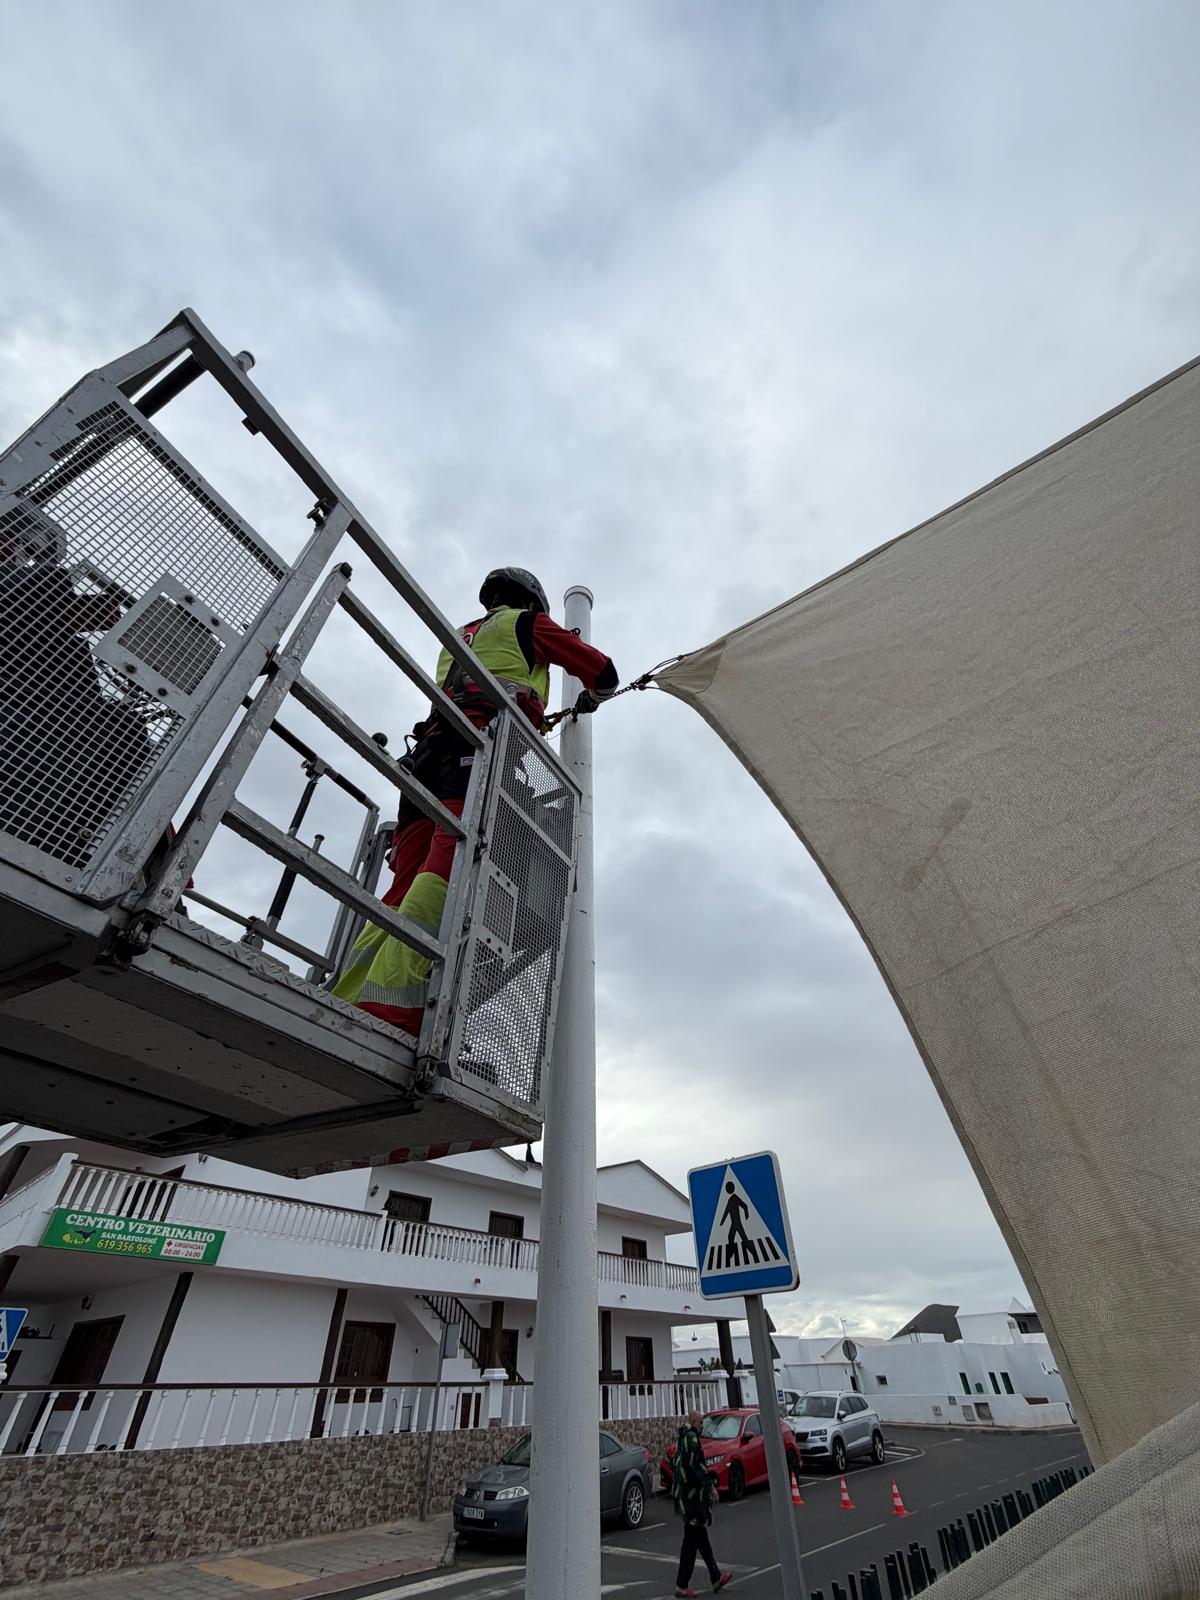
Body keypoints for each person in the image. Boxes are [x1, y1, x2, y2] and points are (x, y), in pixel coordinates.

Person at [332, 566, 617, 1035]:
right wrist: (592, 696)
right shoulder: (528, 624)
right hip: (477, 749)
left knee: (403, 884)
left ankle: (349, 994)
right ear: (532, 602)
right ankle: (391, 1006)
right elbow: (604, 673)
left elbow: (489, 685)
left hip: (427, 755)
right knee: (447, 865)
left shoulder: (461, 636)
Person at [672, 1410, 731, 1597]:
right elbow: (695, 1466)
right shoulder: (692, 1439)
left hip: (690, 1499)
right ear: (694, 1421)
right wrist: (710, 1486)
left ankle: (716, 1576)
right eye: (700, 1423)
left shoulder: (685, 1437)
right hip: (692, 1500)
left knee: (701, 1541)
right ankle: (682, 1586)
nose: (702, 1426)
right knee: (690, 1545)